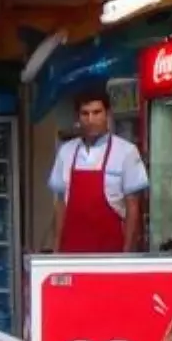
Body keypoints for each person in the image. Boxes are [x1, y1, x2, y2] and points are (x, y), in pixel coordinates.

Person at [49, 86, 149, 255]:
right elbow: (60, 205)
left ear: (107, 114)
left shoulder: (126, 151)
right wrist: (56, 251)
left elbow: (133, 208)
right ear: (78, 117)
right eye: (85, 113)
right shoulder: (66, 152)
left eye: (97, 112)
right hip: (71, 254)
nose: (91, 119)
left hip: (110, 256)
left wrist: (127, 255)